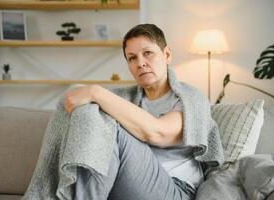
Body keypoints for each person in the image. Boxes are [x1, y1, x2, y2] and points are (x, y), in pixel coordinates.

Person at [64, 24, 224, 200]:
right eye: (132, 58)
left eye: (147, 53)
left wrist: (95, 92)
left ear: (167, 55)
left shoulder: (191, 98)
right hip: (128, 183)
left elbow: (157, 132)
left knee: (110, 129)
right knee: (93, 116)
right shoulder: (125, 98)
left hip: (177, 189)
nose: (140, 63)